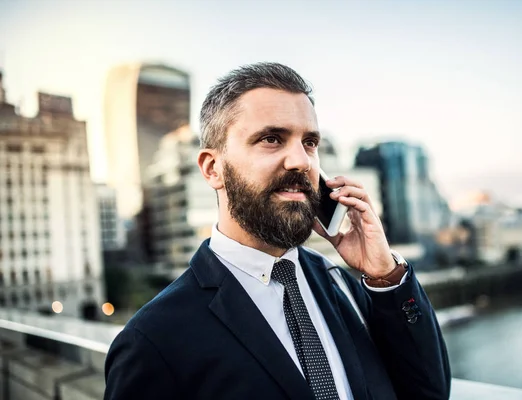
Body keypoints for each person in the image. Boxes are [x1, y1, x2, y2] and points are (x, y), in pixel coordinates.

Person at [104, 62, 451, 400]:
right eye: (272, 139)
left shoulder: (343, 284)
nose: (302, 161)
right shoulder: (153, 339)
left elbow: (428, 393)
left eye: (310, 143)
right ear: (213, 169)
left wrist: (385, 276)